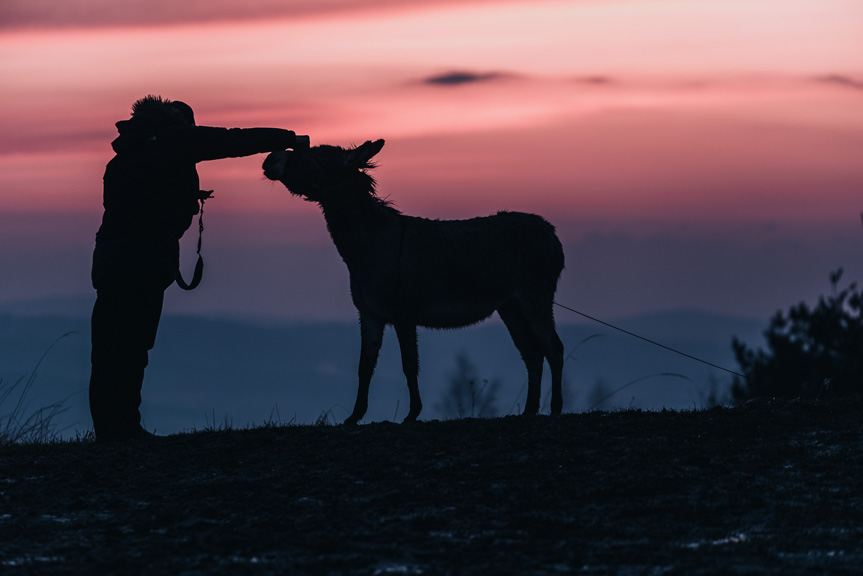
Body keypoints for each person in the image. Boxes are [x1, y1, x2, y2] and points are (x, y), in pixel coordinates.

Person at [89, 95, 309, 441]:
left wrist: (177, 196)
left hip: (109, 260)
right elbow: (233, 140)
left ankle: (108, 431)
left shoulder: (121, 160)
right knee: (133, 345)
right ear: (182, 125)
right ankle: (125, 430)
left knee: (107, 347)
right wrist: (287, 139)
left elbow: (128, 204)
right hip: (144, 259)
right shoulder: (175, 140)